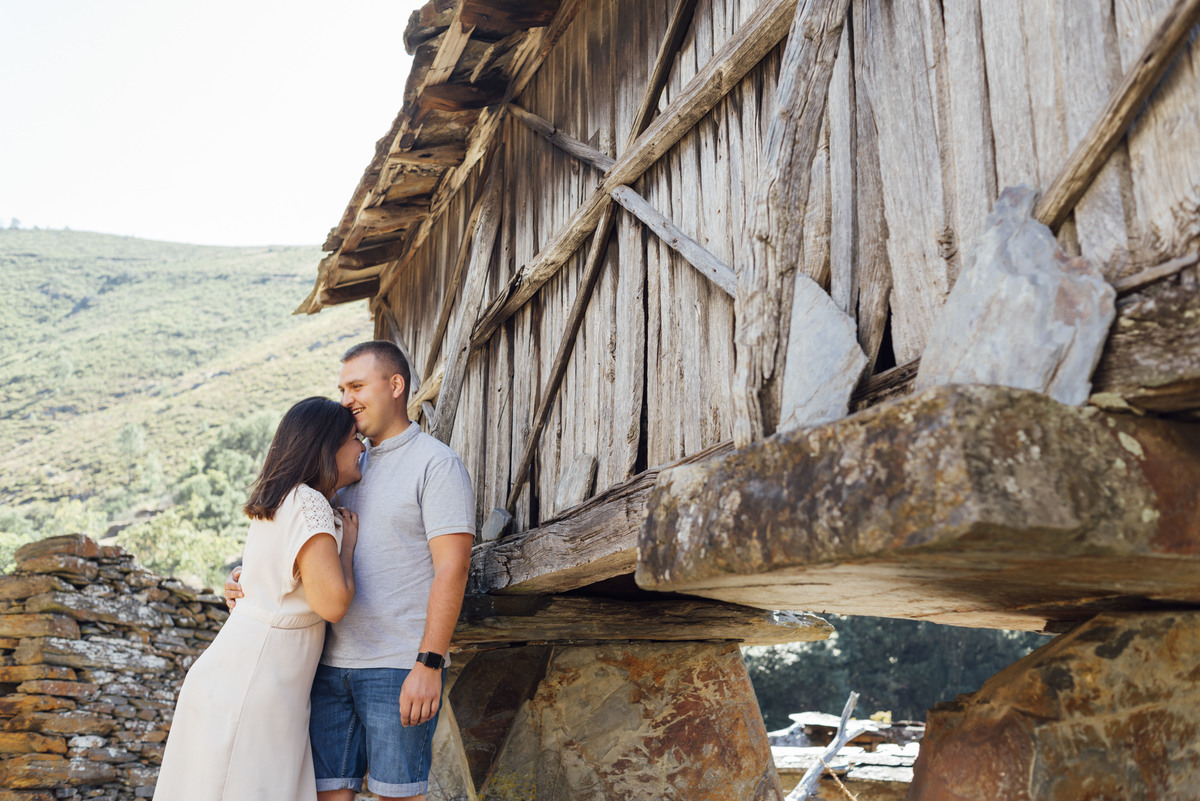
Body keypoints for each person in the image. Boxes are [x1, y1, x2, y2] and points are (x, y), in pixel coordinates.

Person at [226, 340, 475, 801]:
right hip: (322, 667)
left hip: (396, 667)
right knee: (324, 796)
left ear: (395, 386)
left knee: (397, 796)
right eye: (341, 388)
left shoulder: (435, 465)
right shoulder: (339, 466)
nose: (346, 400)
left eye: (357, 385)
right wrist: (249, 579)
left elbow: (453, 569)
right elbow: (299, 543)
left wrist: (429, 663)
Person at [155, 396, 364, 801]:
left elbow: (263, 578)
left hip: (241, 670)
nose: (361, 447)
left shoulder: (283, 497)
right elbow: (334, 604)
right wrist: (348, 550)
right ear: (328, 447)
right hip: (258, 682)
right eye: (354, 439)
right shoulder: (310, 503)